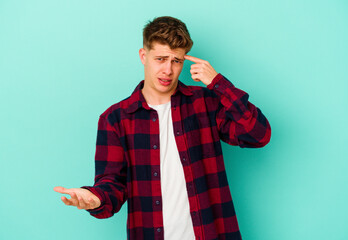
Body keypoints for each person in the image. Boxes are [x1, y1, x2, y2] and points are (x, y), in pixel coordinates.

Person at [54, 16, 271, 240]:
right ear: (143, 56)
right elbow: (112, 185)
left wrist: (217, 83)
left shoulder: (204, 103)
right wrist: (94, 197)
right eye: (160, 58)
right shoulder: (115, 119)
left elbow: (258, 135)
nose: (168, 69)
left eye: (176, 61)